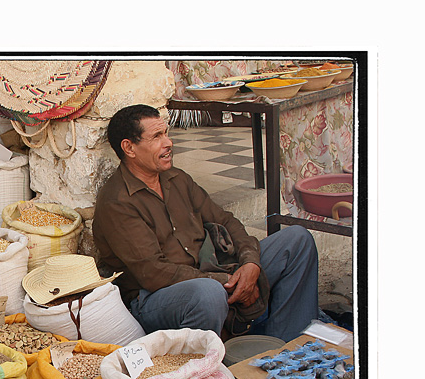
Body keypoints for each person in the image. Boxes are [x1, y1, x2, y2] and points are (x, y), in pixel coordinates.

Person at [93, 104, 319, 343]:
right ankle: (210, 367)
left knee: (297, 240)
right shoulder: (117, 202)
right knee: (208, 293)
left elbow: (225, 221)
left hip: (213, 272)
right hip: (157, 299)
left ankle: (283, 348)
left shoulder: (177, 179)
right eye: (157, 136)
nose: (168, 142)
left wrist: (250, 264)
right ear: (129, 148)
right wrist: (230, 282)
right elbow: (153, 273)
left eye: (166, 133)